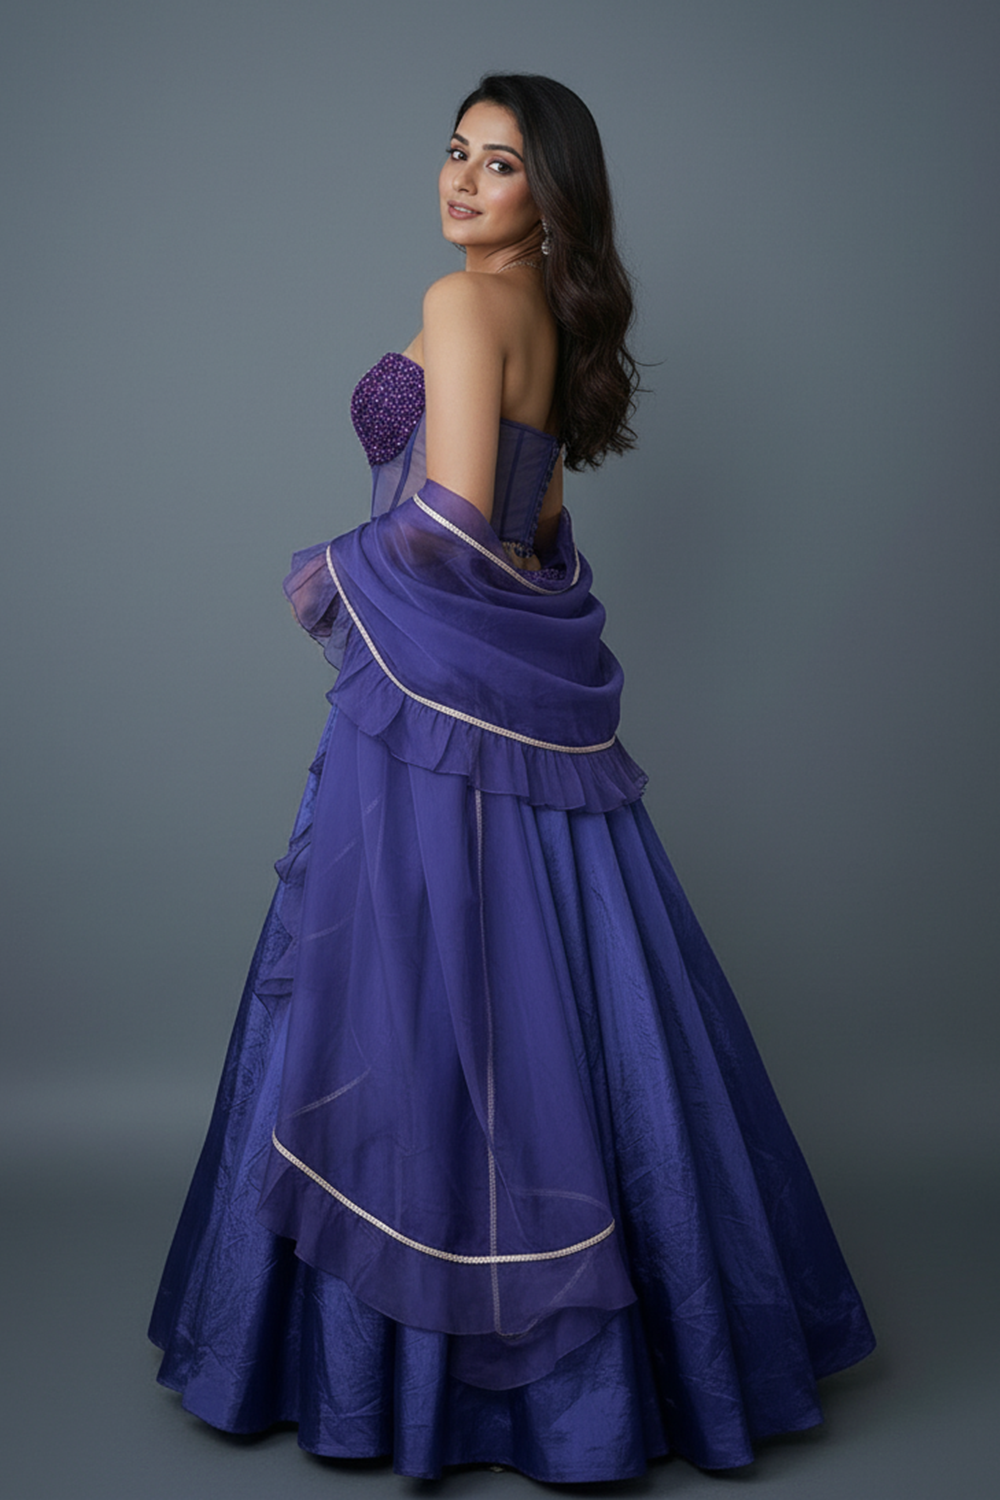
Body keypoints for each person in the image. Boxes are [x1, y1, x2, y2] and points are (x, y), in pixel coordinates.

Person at [149, 74, 875, 1484]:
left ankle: (402, 1380)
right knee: (548, 987)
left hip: (432, 696)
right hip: (487, 687)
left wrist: (330, 572)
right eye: (456, 152)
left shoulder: (465, 302)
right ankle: (640, 1365)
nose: (463, 180)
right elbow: (538, 525)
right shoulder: (545, 315)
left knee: (414, 991)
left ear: (551, 193)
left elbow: (450, 521)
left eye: (500, 164)